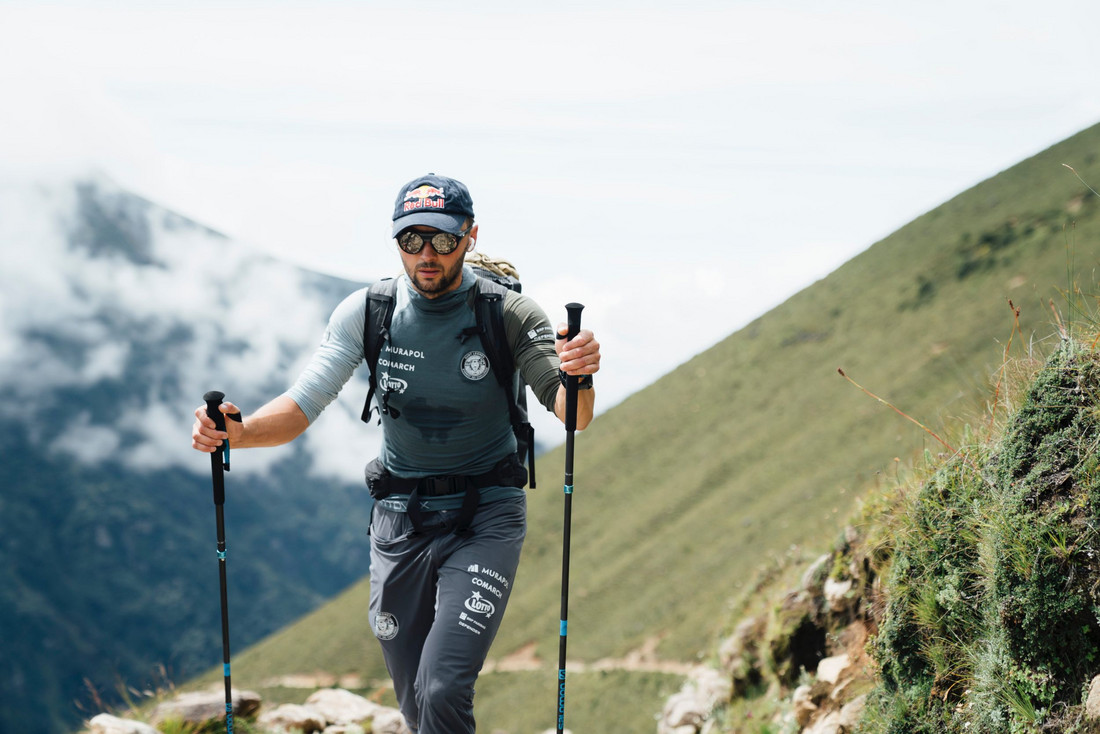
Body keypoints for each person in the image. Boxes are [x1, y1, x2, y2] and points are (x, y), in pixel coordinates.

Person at [191, 173, 601, 733]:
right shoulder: (368, 312)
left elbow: (573, 414)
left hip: (486, 516)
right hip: (399, 519)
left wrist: (580, 373)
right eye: (411, 240)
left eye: (443, 239)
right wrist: (239, 434)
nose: (426, 254)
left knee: (442, 686)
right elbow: (303, 405)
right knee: (414, 701)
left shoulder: (509, 314)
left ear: (470, 236)